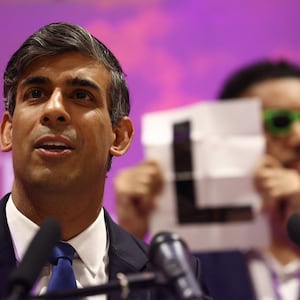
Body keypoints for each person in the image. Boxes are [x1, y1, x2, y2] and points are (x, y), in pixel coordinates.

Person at [0, 22, 209, 300]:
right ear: (7, 132)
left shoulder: (170, 282)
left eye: (81, 96)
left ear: (119, 137)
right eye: (36, 93)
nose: (54, 110)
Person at [114, 59, 300, 300]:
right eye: (280, 121)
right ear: (229, 140)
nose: (298, 138)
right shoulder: (185, 264)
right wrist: (128, 237)